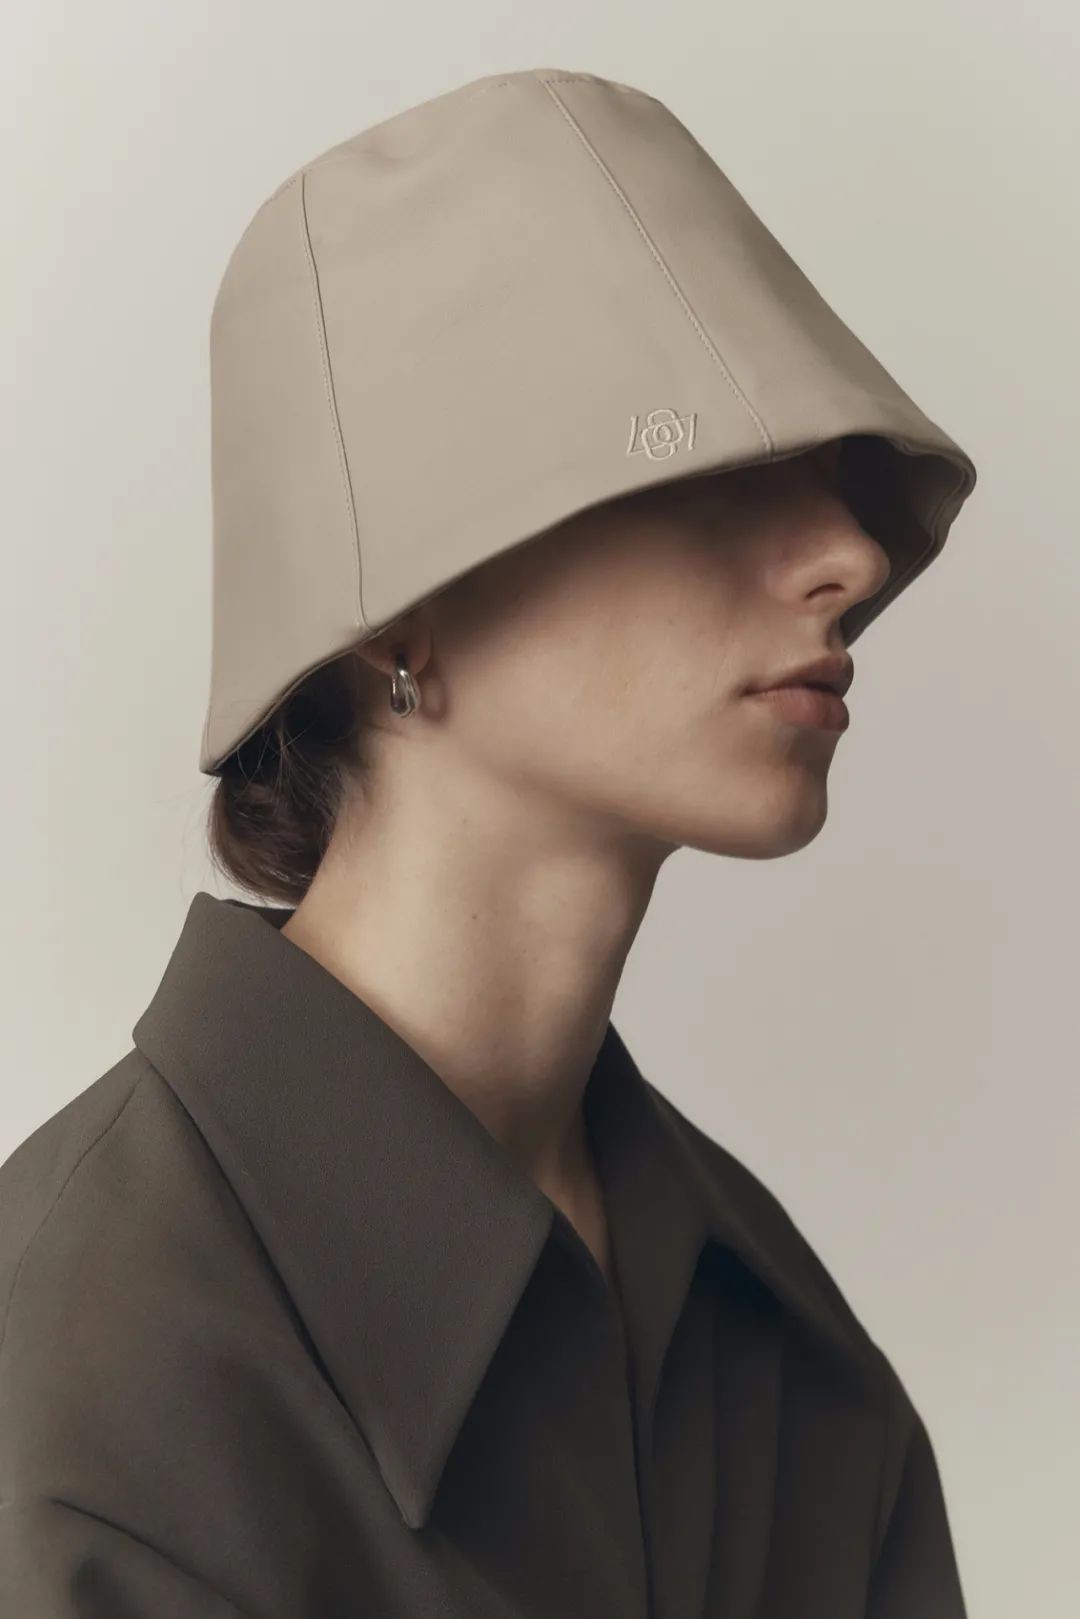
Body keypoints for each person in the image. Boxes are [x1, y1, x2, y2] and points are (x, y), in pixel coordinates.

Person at [0, 67, 977, 1618]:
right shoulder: (82, 1392)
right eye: (713, 477)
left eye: (833, 480)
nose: (850, 557)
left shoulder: (789, 1357)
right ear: (398, 614)